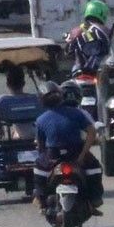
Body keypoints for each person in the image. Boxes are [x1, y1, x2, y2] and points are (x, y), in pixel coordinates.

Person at [32, 84, 102, 214]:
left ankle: (40, 199)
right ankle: (95, 198)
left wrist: (45, 160)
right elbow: (91, 132)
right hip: (75, 153)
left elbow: (40, 146)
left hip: (53, 156)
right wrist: (82, 155)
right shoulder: (76, 113)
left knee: (37, 168)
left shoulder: (41, 120)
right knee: (95, 167)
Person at [62, 0, 111, 75]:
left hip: (79, 72)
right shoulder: (104, 30)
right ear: (102, 13)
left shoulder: (78, 29)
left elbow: (67, 51)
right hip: (98, 72)